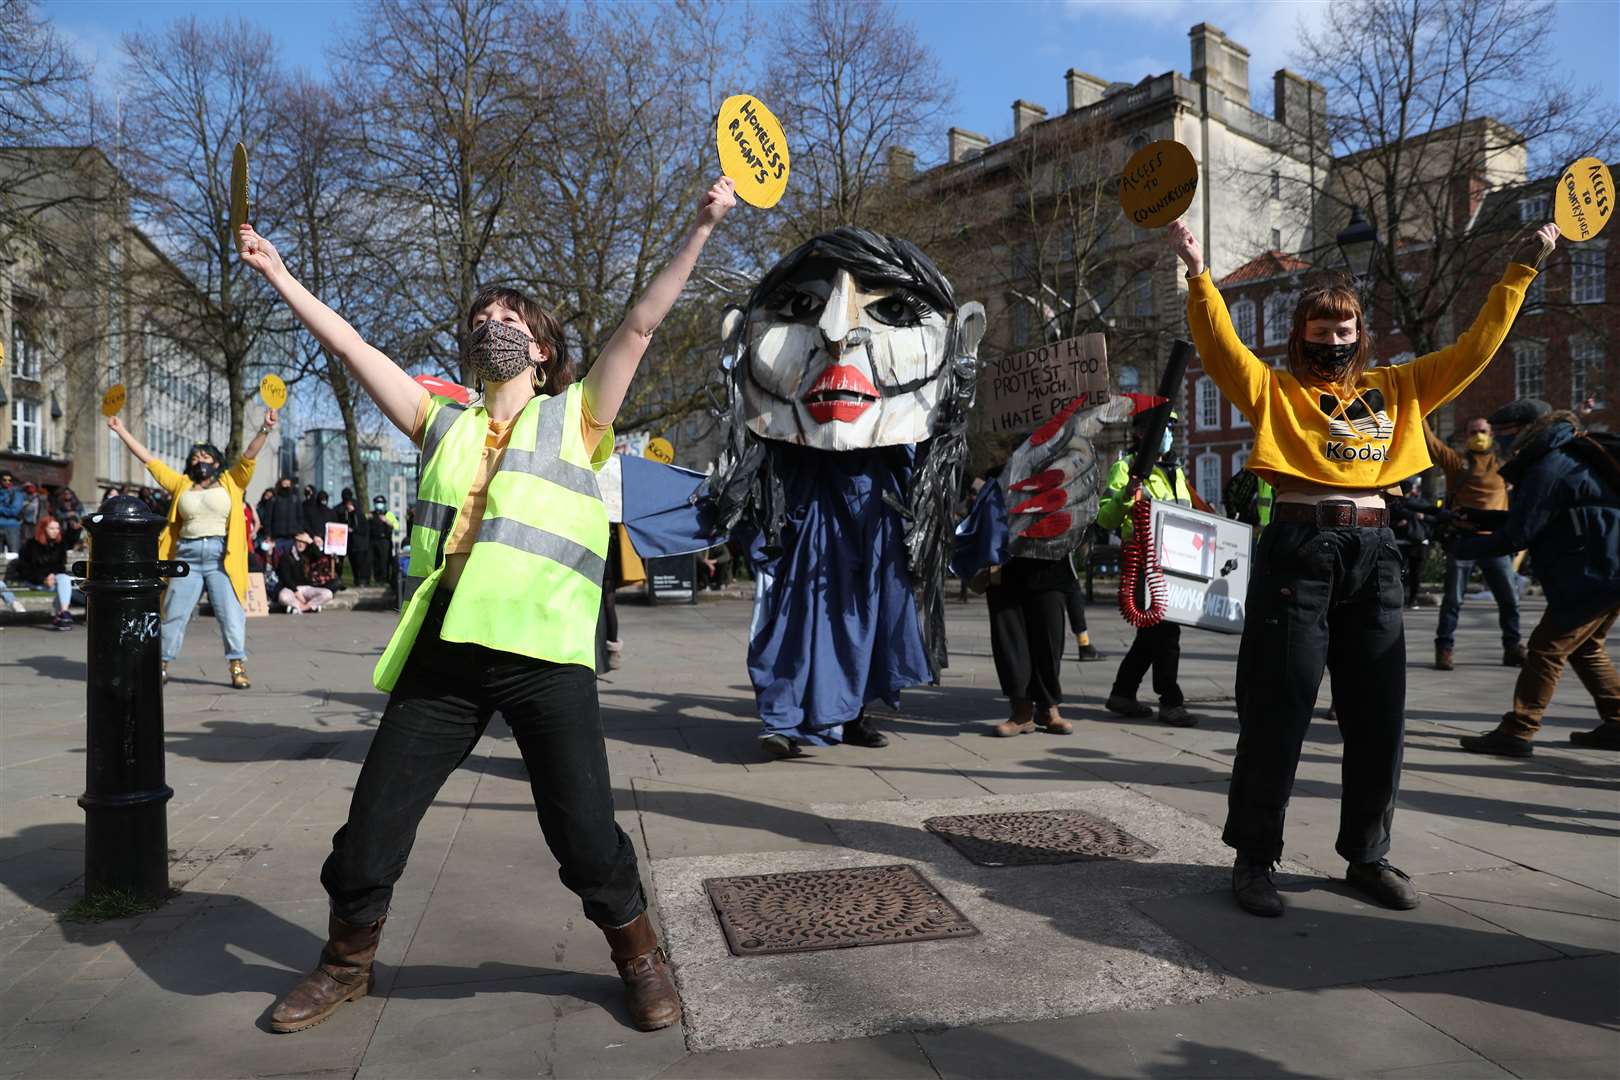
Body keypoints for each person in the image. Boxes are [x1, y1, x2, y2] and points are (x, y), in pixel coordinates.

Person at [238, 174, 735, 1035]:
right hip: (447, 650)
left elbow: (642, 324)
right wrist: (279, 274)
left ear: (544, 350)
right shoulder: (442, 422)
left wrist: (699, 228)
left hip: (544, 655)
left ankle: (639, 957)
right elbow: (355, 348)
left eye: (513, 319)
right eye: (483, 317)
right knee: (369, 830)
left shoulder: (579, 416)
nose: (493, 324)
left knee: (583, 835)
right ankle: (344, 964)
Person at [1173, 216, 1556, 918]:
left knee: (1380, 717)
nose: (1334, 342)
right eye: (1321, 332)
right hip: (1298, 551)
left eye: (1344, 331)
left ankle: (1367, 856)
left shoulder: (1402, 386)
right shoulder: (1275, 391)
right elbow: (1220, 347)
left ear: (1360, 337)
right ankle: (1255, 857)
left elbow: (1476, 350)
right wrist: (1198, 272)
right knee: (1277, 710)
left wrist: (1520, 270)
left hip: (1377, 554)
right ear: (1301, 338)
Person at [707, 227, 987, 760]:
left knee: (867, 621)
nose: (840, 329)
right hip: (809, 529)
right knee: (796, 624)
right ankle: (783, 718)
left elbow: (926, 443)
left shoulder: (893, 434)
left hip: (874, 528)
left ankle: (852, 711)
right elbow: (762, 450)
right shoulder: (792, 431)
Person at [1453, 408, 1620, 756]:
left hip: (1596, 575)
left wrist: (1464, 547)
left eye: (1503, 431)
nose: (1498, 439)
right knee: (1586, 647)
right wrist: (1482, 517)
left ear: (1527, 429)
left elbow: (1520, 534)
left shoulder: (1549, 465)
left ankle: (1518, 730)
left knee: (1545, 648)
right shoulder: (1562, 456)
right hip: (1606, 569)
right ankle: (1617, 722)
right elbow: (1540, 516)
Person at [108, 412, 278, 688]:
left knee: (230, 614)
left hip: (221, 557)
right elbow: (150, 461)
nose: (200, 462)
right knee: (175, 612)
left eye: (206, 457)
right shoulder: (182, 485)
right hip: (186, 557)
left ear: (217, 461)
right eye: (195, 458)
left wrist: (265, 428)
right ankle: (161, 663)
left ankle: (237, 665)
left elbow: (248, 455)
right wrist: (121, 430)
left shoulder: (231, 481)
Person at [1096, 407, 1207, 728]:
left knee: (1152, 635)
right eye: (1164, 427)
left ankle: (1123, 693)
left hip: (1178, 563)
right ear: (1143, 433)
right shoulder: (1126, 467)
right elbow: (1106, 518)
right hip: (1146, 563)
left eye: (1172, 427)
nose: (1169, 433)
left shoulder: (1175, 471)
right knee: (1166, 634)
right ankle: (1171, 700)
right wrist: (1127, 497)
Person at [1425, 414, 1523, 668]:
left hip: (1496, 542)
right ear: (1465, 436)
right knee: (1453, 600)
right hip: (1463, 540)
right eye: (1472, 432)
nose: (1478, 436)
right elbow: (1431, 442)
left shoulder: (1506, 465)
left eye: (1482, 431)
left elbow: (1535, 439)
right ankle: (1444, 648)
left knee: (1510, 600)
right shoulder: (1456, 463)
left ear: (1491, 435)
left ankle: (1512, 647)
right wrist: (1420, 410)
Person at [16, 517, 82, 629]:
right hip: (34, 580)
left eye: (57, 528)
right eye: (51, 528)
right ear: (43, 529)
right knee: (65, 586)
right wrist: (43, 578)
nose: (55, 531)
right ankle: (60, 616)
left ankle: (63, 614)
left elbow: (60, 566)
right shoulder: (31, 545)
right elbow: (24, 569)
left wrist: (52, 575)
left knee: (64, 579)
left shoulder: (59, 544)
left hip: (54, 581)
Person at [1387, 476, 1437, 608]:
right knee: (1401, 572)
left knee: (1415, 573)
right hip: (1402, 541)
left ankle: (1411, 599)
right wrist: (1397, 523)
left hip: (1418, 542)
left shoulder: (1418, 503)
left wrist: (1423, 517)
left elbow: (1433, 518)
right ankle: (1403, 598)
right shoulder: (1395, 505)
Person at [277, 533, 335, 613]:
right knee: (283, 597)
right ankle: (309, 607)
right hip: (292, 589)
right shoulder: (286, 556)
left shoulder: (307, 555)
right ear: (294, 542)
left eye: (303, 542)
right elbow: (286, 578)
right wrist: (297, 593)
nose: (301, 544)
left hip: (307, 588)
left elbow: (319, 556)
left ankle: (302, 608)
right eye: (299, 541)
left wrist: (311, 541)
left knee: (328, 594)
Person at [266, 477, 304, 557]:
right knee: (277, 560)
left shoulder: (295, 500)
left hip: (292, 537)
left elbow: (300, 517)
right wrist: (268, 534)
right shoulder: (274, 499)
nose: (286, 486)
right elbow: (268, 518)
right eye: (284, 484)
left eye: (288, 484)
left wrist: (299, 531)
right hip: (277, 537)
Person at [367, 496, 396, 590]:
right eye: (377, 502)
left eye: (381, 502)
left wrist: (386, 521)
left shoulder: (388, 514)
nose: (379, 504)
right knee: (375, 560)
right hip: (373, 540)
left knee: (384, 560)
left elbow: (396, 526)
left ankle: (385, 579)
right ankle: (377, 579)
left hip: (384, 540)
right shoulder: (371, 514)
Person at [0, 471, 23, 554]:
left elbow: (14, 511)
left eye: (9, 480)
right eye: (4, 480)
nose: (7, 482)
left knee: (14, 554)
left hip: (12, 526)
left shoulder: (17, 494)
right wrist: (6, 509)